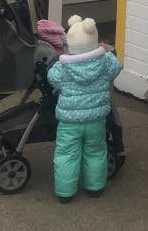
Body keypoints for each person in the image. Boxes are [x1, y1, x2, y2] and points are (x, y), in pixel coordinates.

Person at [47, 15, 122, 202]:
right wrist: (103, 51)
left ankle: (65, 193)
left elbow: (52, 78)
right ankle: (95, 187)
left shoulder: (63, 66)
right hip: (96, 119)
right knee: (95, 151)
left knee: (66, 154)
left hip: (69, 122)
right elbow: (116, 67)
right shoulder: (104, 61)